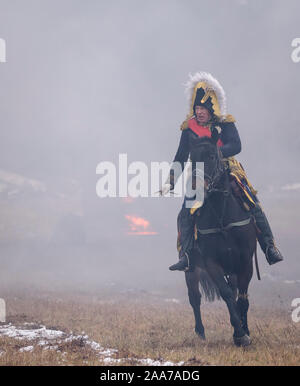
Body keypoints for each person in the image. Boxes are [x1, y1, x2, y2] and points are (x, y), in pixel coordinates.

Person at [160, 72, 283, 271]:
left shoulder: (225, 122)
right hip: (200, 174)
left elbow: (236, 145)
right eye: (197, 108)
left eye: (203, 108)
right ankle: (187, 256)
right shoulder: (188, 128)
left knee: (251, 202)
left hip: (227, 168)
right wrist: (170, 181)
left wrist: (216, 153)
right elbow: (181, 157)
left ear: (212, 108)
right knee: (185, 212)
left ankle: (269, 247)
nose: (199, 112)